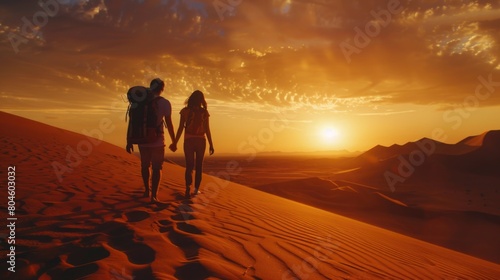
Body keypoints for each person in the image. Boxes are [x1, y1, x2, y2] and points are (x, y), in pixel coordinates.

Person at [126, 78, 176, 203]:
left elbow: (132, 122)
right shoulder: (164, 103)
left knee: (144, 166)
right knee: (157, 168)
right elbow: (169, 124)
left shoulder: (139, 102)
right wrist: (174, 140)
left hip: (142, 139)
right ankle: (154, 196)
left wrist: (129, 140)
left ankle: (146, 191)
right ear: (162, 89)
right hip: (158, 140)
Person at [171, 90, 214, 199]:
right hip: (201, 141)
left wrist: (175, 141)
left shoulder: (185, 111)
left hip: (189, 140)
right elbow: (207, 129)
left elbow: (181, 127)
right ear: (201, 100)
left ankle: (187, 188)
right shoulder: (204, 112)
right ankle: (195, 190)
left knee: (189, 166)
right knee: (199, 166)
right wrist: (211, 144)